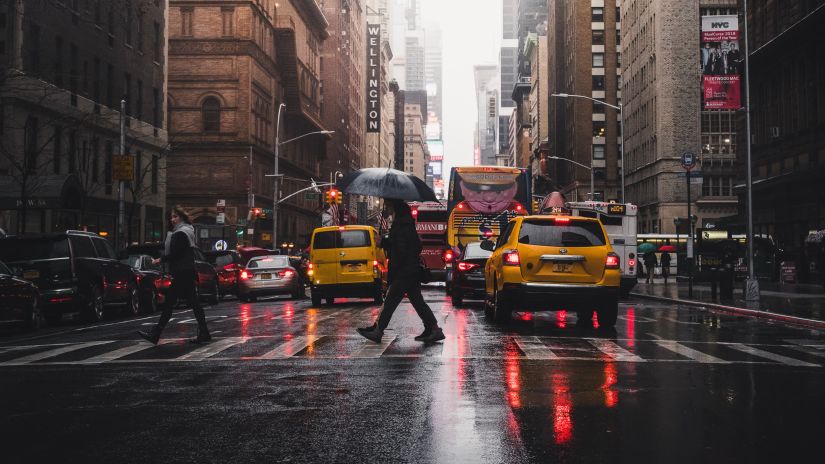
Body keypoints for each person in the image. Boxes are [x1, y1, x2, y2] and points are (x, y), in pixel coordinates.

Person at [357, 199, 445, 344]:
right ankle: (434, 329)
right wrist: (386, 242)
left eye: (391, 208)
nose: (390, 212)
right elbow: (413, 246)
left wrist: (385, 245)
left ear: (397, 210)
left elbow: (401, 250)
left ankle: (378, 330)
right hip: (411, 271)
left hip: (403, 272)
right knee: (418, 302)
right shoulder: (407, 225)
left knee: (390, 301)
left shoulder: (401, 226)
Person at [138, 206, 211, 344]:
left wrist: (160, 259)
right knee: (193, 303)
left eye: (175, 216)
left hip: (182, 272)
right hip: (187, 271)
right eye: (171, 217)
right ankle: (204, 332)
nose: (172, 220)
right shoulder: (188, 231)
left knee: (170, 303)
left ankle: (156, 333)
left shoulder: (180, 233)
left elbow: (176, 253)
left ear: (182, 217)